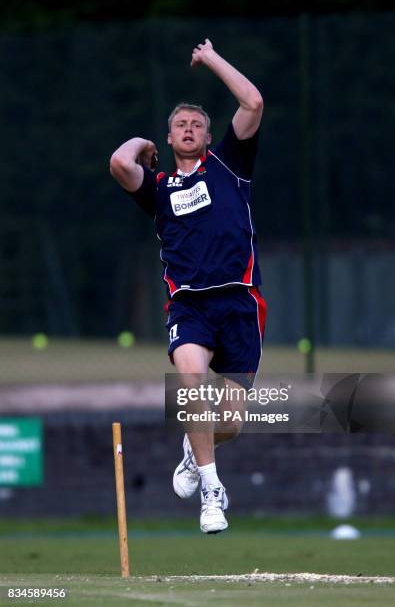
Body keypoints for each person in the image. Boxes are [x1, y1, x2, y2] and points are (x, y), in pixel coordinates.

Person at [110, 38, 266, 534]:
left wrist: (211, 57)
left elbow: (253, 102)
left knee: (232, 424)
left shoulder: (229, 166)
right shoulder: (159, 188)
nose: (190, 129)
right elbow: (119, 163)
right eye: (180, 125)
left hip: (240, 304)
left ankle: (191, 449)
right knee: (191, 384)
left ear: (208, 134)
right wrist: (142, 144)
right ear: (170, 137)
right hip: (189, 308)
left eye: (197, 124)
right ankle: (212, 494)